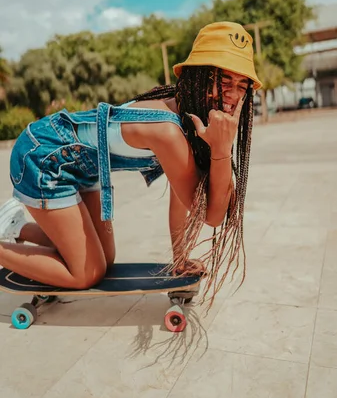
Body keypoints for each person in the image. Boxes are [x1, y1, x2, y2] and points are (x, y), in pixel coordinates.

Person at [0, 21, 262, 303]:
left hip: (77, 167)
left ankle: (14, 227)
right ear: (198, 76)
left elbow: (182, 195)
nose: (234, 96)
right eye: (223, 82)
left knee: (104, 257)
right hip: (44, 158)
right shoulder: (167, 131)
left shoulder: (188, 113)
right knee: (87, 273)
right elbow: (211, 216)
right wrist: (221, 148)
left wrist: (181, 256)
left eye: (241, 85)